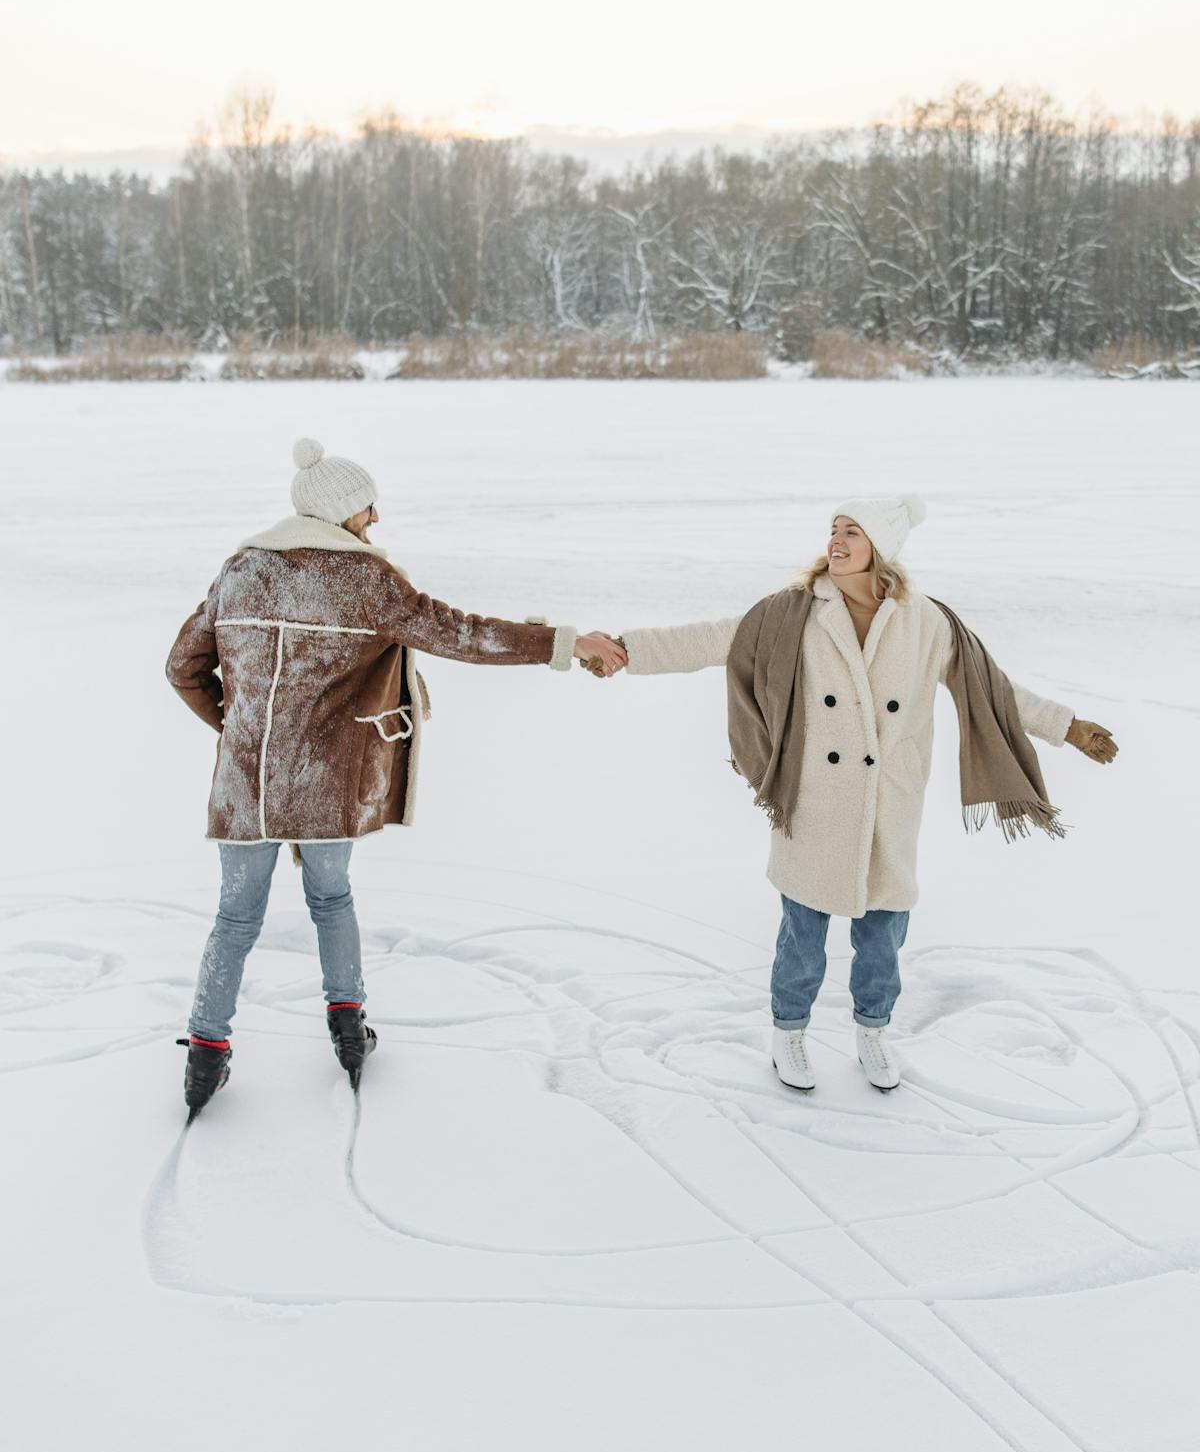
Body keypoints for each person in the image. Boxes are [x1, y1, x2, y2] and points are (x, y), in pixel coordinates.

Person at [166, 437, 626, 1120]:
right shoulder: (367, 582)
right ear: (340, 513)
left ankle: (206, 1052)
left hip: (246, 784)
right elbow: (462, 634)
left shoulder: (240, 572)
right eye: (366, 505)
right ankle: (349, 1029)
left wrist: (241, 735)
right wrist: (566, 643)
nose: (376, 516)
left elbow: (183, 666)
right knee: (331, 900)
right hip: (325, 781)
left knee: (235, 918)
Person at [595, 496, 1116, 1094]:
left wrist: (1066, 726)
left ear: (881, 548)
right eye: (834, 530)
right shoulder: (790, 612)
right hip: (815, 796)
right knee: (803, 931)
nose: (837, 541)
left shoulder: (926, 621)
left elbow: (991, 688)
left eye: (853, 532)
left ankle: (873, 1031)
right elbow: (712, 639)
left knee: (883, 936)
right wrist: (625, 651)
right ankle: (788, 1032)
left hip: (889, 800)